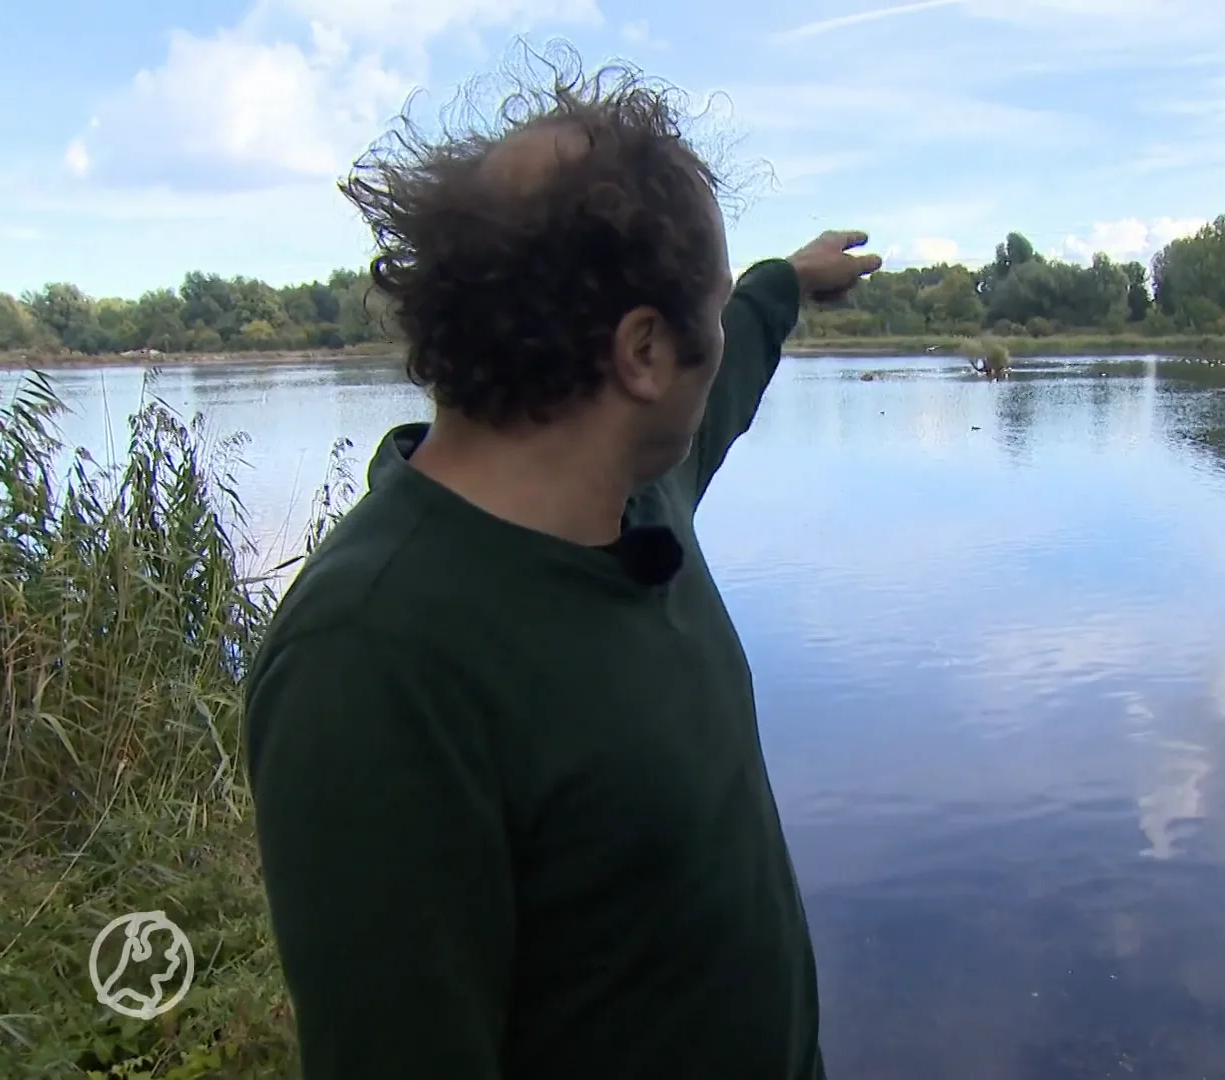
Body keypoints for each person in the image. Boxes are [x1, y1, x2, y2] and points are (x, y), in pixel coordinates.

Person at [242, 53, 880, 1080]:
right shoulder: (373, 658)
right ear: (640, 353)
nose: (718, 342)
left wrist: (780, 285)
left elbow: (726, 376)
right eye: (702, 317)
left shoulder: (634, 494)